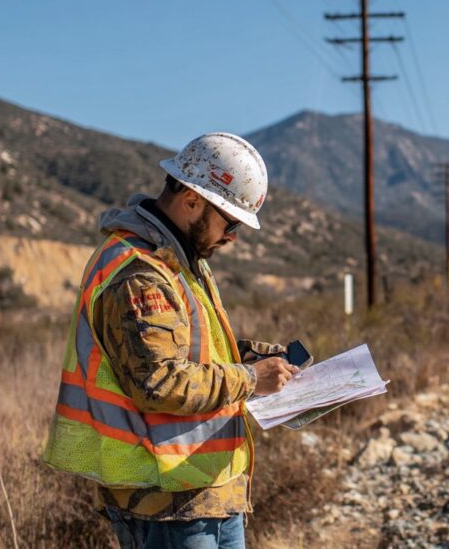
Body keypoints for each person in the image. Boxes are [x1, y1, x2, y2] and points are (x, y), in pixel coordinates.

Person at [42, 133, 298, 548]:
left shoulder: (179, 260)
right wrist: (251, 379)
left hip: (208, 493)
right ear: (192, 201)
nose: (232, 236)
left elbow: (195, 349)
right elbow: (160, 382)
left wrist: (258, 358)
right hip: (164, 501)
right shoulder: (139, 273)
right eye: (229, 222)